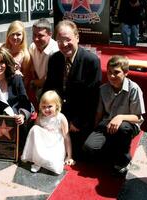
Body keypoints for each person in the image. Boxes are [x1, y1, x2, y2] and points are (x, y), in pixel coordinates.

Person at [42, 20, 102, 159]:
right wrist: (45, 111)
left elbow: (92, 98)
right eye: (59, 40)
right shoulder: (55, 59)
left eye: (67, 39)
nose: (64, 44)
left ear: (77, 37)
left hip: (79, 119)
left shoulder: (91, 61)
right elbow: (49, 87)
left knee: (83, 152)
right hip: (57, 114)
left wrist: (76, 122)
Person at [83, 55, 145, 176]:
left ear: (126, 72)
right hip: (108, 123)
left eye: (116, 73)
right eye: (109, 72)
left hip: (128, 125)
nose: (112, 76)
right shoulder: (103, 89)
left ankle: (123, 160)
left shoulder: (134, 89)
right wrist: (95, 131)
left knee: (123, 128)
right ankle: (113, 147)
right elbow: (99, 113)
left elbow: (138, 117)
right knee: (89, 147)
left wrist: (120, 117)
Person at [0, 47, 32, 150]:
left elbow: (25, 103)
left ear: (7, 63)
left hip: (17, 123)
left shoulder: (16, 79)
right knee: (0, 152)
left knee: (20, 150)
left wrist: (22, 116)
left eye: (2, 62)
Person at [21, 90, 75, 174]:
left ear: (56, 105)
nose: (46, 109)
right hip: (43, 144)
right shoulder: (40, 117)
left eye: (49, 106)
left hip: (55, 145)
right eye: (43, 106)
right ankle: (38, 160)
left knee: (54, 166)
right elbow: (36, 135)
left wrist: (69, 156)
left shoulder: (61, 118)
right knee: (35, 128)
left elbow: (66, 137)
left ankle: (47, 160)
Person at [28, 18, 59, 104]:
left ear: (50, 34)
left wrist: (32, 83)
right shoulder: (32, 47)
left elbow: (47, 79)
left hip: (53, 92)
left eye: (40, 36)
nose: (36, 39)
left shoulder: (56, 51)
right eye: (34, 35)